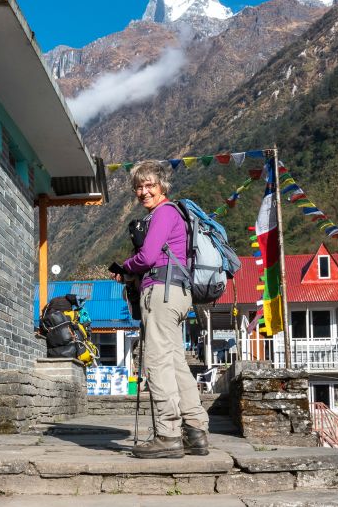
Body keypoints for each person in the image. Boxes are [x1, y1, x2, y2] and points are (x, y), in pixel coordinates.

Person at [111, 160, 209, 459]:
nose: (143, 191)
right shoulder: (174, 213)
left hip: (162, 291)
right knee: (177, 363)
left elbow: (148, 256)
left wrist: (125, 267)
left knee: (156, 362)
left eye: (149, 185)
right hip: (178, 292)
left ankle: (167, 435)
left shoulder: (164, 213)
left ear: (162, 186)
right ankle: (195, 431)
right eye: (138, 187)